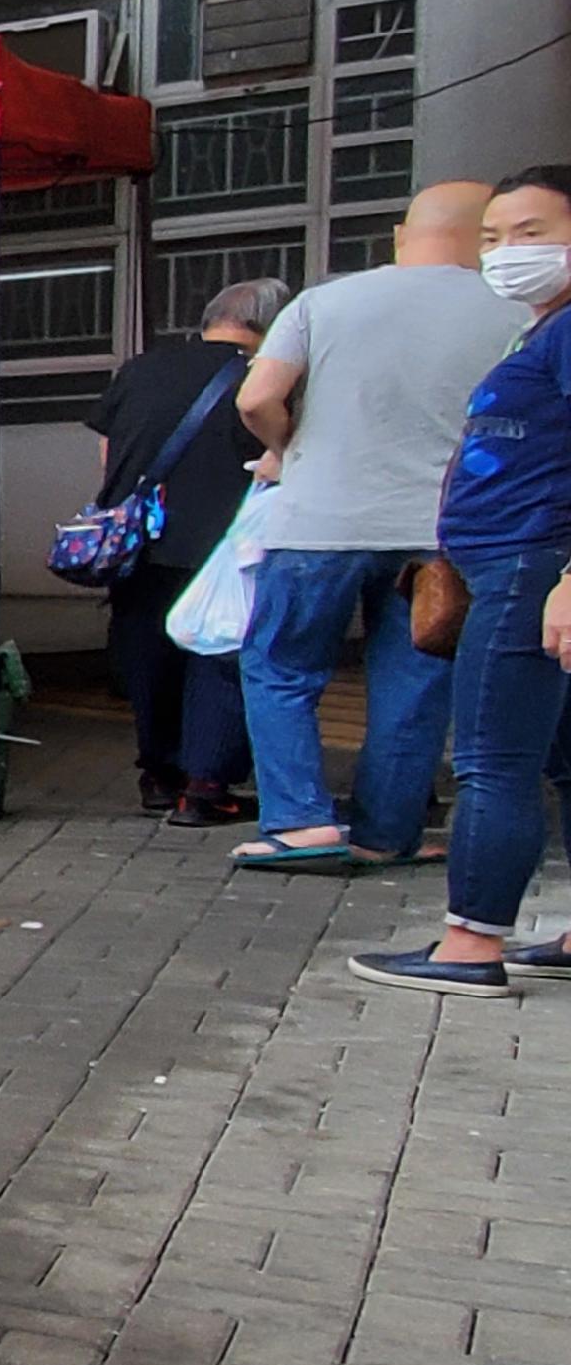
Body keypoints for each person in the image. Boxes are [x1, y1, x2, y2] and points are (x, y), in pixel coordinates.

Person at [232, 180, 531, 872]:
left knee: (281, 669)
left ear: (402, 234)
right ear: (483, 236)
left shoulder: (325, 300)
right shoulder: (519, 312)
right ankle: (385, 835)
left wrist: (288, 450)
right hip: (443, 534)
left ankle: (301, 824)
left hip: (319, 523)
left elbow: (258, 397)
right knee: (415, 685)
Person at [356, 167, 571, 993]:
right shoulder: (542, 331)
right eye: (493, 237)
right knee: (560, 761)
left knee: (493, 760)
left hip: (531, 570)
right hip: (515, 566)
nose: (506, 253)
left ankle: (470, 945)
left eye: (531, 233)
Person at [83, 277, 285, 825]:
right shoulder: (261, 378)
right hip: (221, 545)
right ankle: (205, 785)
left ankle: (158, 776)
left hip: (137, 541)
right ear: (268, 327)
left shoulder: (141, 369)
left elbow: (109, 450)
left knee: (148, 656)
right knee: (217, 657)